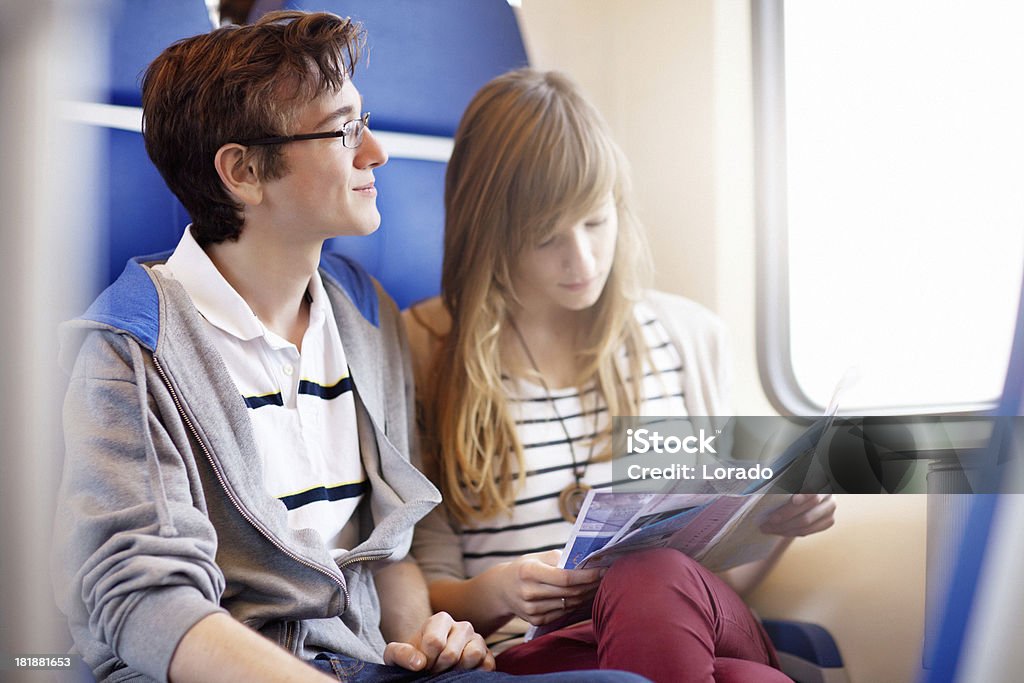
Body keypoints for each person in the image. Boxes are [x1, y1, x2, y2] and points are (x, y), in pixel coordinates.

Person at [52, 15, 648, 683]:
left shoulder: (363, 315)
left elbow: (387, 544)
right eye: (343, 131)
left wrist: (425, 638)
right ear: (244, 171)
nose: (376, 153)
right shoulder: (129, 353)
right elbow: (148, 604)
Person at [403, 69, 837, 683]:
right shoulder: (423, 351)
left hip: (692, 622)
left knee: (650, 573)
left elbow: (720, 580)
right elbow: (419, 591)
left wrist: (773, 528)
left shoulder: (688, 340)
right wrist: (499, 591)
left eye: (596, 223)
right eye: (545, 237)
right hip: (540, 656)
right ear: (490, 236)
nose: (582, 261)